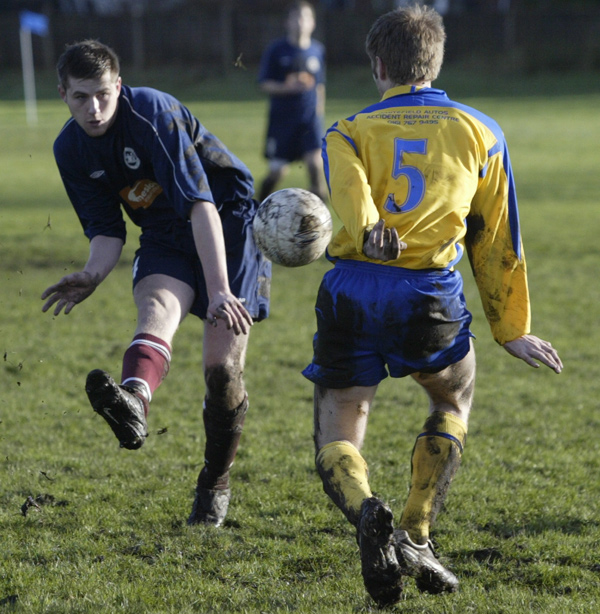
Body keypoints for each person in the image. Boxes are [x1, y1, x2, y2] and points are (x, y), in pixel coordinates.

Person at [302, 5, 562, 607]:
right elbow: (496, 237)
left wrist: (369, 228)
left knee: (338, 429)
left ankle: (367, 510)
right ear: (436, 63)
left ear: (378, 64)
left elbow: (348, 190)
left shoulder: (346, 130)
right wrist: (510, 327)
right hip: (428, 295)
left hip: (351, 290)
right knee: (451, 397)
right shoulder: (481, 131)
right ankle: (415, 531)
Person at [41, 40, 271, 528]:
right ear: (63, 94)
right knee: (156, 309)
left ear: (119, 86)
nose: (94, 108)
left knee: (221, 371)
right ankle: (133, 400)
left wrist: (220, 290)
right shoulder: (70, 148)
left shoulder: (151, 113)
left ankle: (214, 482)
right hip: (165, 231)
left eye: (102, 94)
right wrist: (92, 274)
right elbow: (107, 230)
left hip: (227, 225)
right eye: (80, 97)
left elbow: (200, 205)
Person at [257, 1, 327, 203]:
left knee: (315, 165)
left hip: (309, 121)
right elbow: (264, 83)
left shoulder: (317, 50)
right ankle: (258, 206)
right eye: (296, 18)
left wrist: (319, 114)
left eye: (305, 18)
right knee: (278, 171)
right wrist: (286, 87)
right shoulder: (276, 50)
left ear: (312, 23)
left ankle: (320, 213)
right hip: (283, 122)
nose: (300, 23)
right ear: (287, 22)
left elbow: (320, 86)